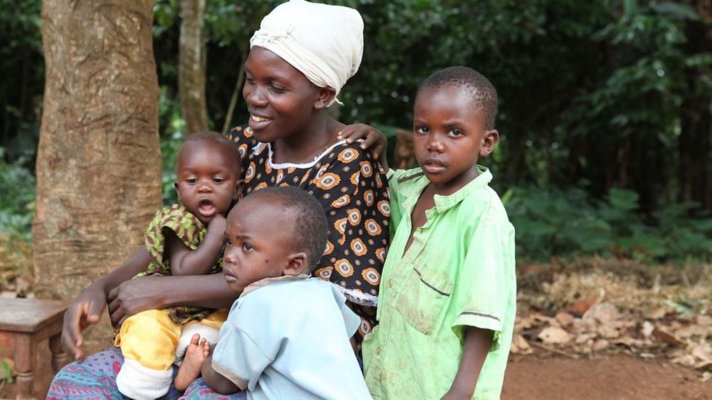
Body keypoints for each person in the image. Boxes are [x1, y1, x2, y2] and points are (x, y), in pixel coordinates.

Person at [47, 0, 388, 398]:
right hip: (205, 329)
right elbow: (182, 226)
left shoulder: (349, 164)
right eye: (250, 80)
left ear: (323, 94)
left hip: (282, 362)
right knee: (78, 385)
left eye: (275, 87)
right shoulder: (244, 145)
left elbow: (298, 291)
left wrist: (164, 291)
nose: (255, 98)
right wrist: (102, 286)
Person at [362, 67, 517, 400]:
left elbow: (483, 316)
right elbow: (380, 188)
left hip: (441, 388)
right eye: (423, 129)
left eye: (454, 133)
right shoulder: (410, 190)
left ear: (486, 142)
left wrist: (460, 391)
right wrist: (377, 150)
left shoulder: (482, 216)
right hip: (389, 381)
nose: (434, 144)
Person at [186, 187, 372, 399]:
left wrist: (207, 361)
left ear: (293, 264)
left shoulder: (257, 303)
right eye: (229, 242)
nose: (229, 256)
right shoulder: (324, 290)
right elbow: (350, 343)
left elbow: (225, 381)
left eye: (246, 247)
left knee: (198, 392)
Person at [114, 132, 241, 399]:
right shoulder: (176, 220)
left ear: (237, 189)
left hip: (209, 311)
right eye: (192, 181)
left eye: (217, 180)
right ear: (178, 188)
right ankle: (145, 381)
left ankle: (190, 362)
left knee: (228, 327)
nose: (204, 187)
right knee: (148, 326)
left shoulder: (241, 221)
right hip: (167, 307)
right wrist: (217, 235)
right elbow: (185, 271)